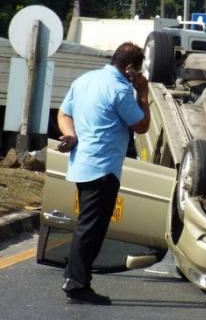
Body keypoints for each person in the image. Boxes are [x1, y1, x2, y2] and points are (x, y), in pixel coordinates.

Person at [57, 42, 151, 305]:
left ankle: (74, 274)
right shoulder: (120, 89)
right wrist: (142, 92)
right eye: (137, 70)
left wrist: (71, 135)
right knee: (91, 229)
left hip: (82, 165)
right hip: (103, 168)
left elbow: (64, 114)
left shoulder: (85, 79)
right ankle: (77, 284)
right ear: (131, 68)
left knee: (87, 226)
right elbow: (142, 125)